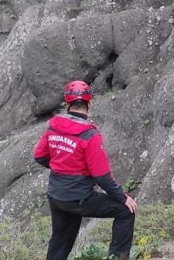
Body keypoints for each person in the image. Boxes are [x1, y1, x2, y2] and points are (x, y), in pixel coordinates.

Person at [34, 81, 137, 260]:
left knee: (60, 240)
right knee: (125, 211)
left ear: (67, 104)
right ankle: (117, 257)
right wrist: (123, 197)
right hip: (78, 198)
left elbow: (40, 156)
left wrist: (63, 168)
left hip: (56, 195)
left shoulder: (53, 126)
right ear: (89, 104)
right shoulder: (90, 135)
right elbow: (102, 176)